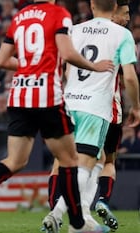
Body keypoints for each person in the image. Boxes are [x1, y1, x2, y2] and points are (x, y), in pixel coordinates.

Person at [0, 1, 115, 233]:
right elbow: (67, 53)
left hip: (19, 96)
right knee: (69, 160)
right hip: (46, 97)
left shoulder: (20, 17)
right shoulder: (59, 14)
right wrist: (95, 67)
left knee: (15, 161)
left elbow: (1, 61)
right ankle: (78, 226)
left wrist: (30, 66)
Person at [45, 0, 140, 232]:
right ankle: (58, 215)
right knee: (90, 165)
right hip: (95, 106)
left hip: (67, 103)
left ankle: (82, 218)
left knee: (64, 162)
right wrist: (136, 106)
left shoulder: (74, 30)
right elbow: (129, 77)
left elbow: (64, 66)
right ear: (115, 5)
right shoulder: (122, 34)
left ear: (92, 5)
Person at [95, 0, 133, 230]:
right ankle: (101, 200)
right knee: (107, 160)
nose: (128, 18)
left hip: (79, 105)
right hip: (108, 107)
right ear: (114, 11)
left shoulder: (82, 30)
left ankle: (58, 210)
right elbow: (129, 76)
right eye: (125, 13)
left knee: (70, 161)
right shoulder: (121, 35)